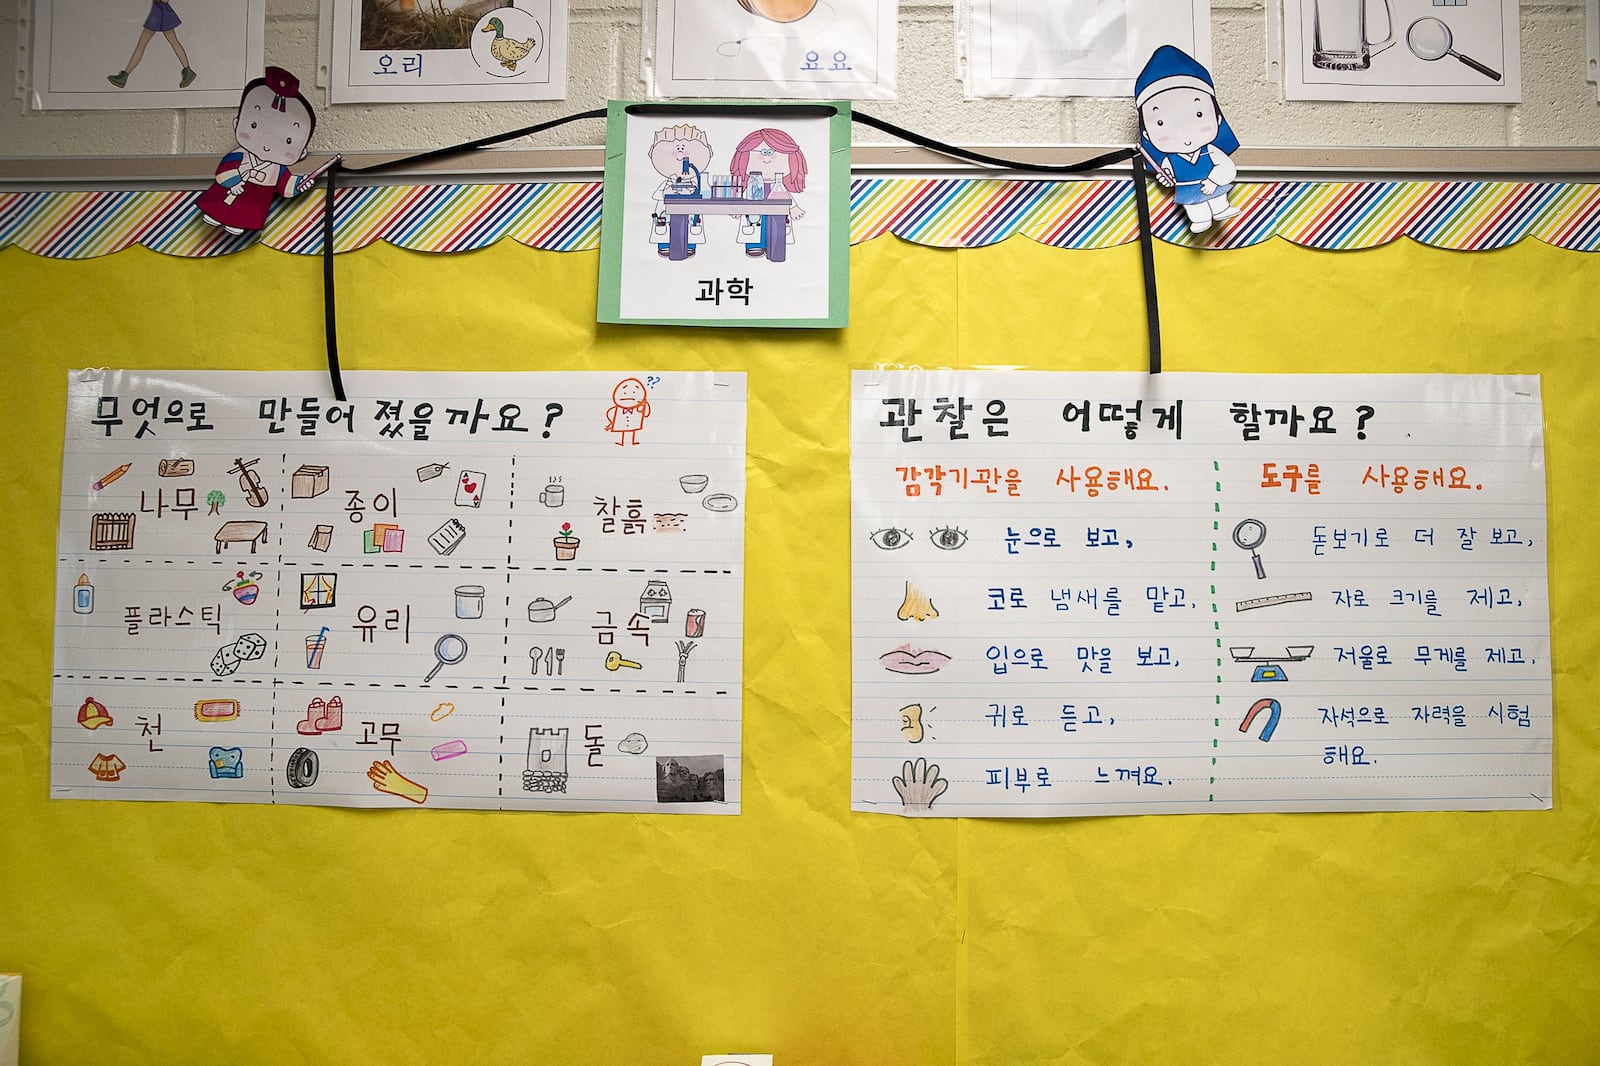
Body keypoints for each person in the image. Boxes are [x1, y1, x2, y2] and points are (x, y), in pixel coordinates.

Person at [196, 68, 330, 235]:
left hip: (255, 200)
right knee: (218, 205)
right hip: (230, 189)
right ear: (237, 123)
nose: (267, 144)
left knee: (245, 216)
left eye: (288, 140)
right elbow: (225, 169)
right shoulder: (239, 155)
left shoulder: (278, 169)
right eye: (254, 125)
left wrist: (301, 183)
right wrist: (234, 182)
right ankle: (214, 213)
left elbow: (284, 185)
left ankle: (238, 224)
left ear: (302, 152)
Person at [1135, 45, 1241, 234]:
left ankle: (1221, 209)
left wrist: (1213, 181)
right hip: (1187, 189)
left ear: (1217, 118)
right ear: (1147, 135)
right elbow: (1168, 173)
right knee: (1195, 208)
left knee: (1217, 199)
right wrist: (1166, 178)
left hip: (1211, 184)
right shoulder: (1171, 159)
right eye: (1160, 122)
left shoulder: (1210, 151)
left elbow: (1226, 167)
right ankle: (1200, 219)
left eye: (1199, 113)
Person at [729, 128, 807, 259]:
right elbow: (744, 198)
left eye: (772, 153)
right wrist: (738, 208)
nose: (766, 159)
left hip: (777, 211)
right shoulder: (752, 184)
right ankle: (754, 245)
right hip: (754, 210)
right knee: (754, 225)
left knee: (775, 228)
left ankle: (773, 246)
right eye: (761, 153)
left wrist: (793, 207)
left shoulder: (778, 184)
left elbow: (786, 195)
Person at [647, 125, 713, 258]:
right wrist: (669, 189)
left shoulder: (695, 183)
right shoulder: (667, 182)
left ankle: (689, 246)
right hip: (666, 212)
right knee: (664, 228)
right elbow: (657, 195)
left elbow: (702, 194)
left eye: (685, 149)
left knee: (691, 227)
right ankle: (665, 246)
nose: (680, 153)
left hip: (690, 213)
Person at [108, 0, 196, 89]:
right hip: (158, 11)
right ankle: (187, 69)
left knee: (144, 44)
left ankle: (125, 75)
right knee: (169, 42)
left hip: (160, 13)